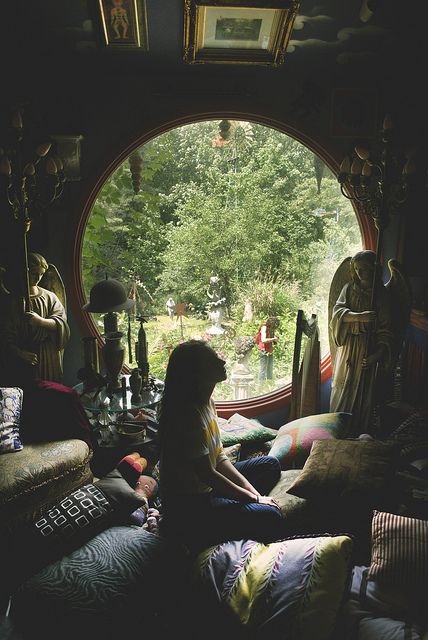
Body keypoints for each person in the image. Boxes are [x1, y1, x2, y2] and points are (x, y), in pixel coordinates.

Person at [158, 339, 286, 553]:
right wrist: (255, 499)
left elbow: (219, 459)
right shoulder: (187, 415)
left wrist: (254, 494)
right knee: (271, 517)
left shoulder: (207, 402)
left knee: (270, 464)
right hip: (190, 506)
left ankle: (236, 508)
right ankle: (192, 533)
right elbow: (208, 474)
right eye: (213, 360)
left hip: (210, 489)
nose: (223, 360)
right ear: (197, 373)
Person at [329, 250, 394, 434]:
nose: (360, 273)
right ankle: (336, 429)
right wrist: (360, 317)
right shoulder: (349, 289)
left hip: (367, 350)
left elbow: (386, 331)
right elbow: (337, 314)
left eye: (364, 269)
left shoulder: (381, 295)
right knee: (342, 390)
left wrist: (376, 356)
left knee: (362, 395)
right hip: (349, 347)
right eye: (357, 269)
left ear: (374, 270)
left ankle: (356, 433)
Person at [0, 252, 70, 388]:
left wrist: (40, 321)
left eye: (41, 274)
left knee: (51, 392)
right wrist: (20, 353)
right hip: (24, 358)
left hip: (48, 355)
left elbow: (61, 324)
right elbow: (5, 336)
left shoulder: (49, 297)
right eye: (33, 273)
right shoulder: (13, 301)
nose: (38, 278)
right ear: (23, 272)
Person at [255, 316, 279, 381]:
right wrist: (273, 339)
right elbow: (263, 340)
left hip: (269, 350)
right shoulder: (264, 328)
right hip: (263, 350)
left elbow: (272, 341)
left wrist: (275, 339)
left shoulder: (271, 329)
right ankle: (261, 385)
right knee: (262, 369)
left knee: (270, 369)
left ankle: (269, 383)